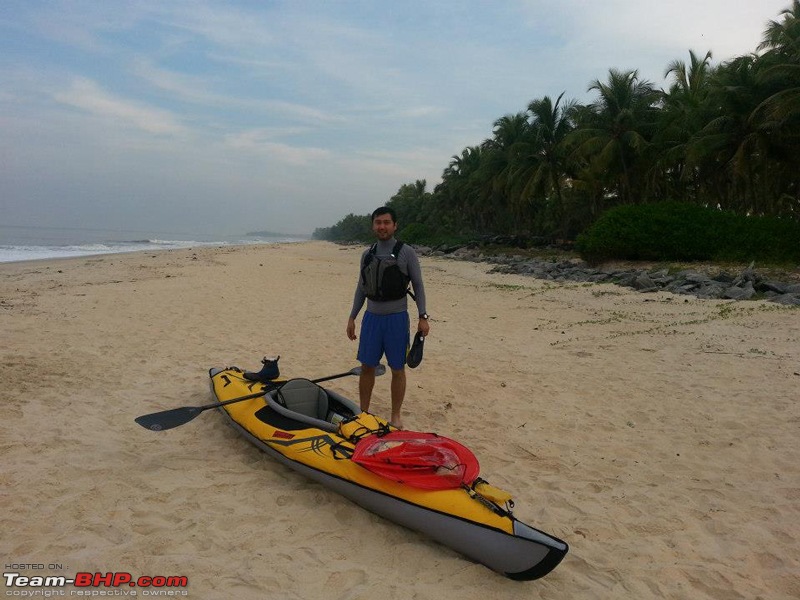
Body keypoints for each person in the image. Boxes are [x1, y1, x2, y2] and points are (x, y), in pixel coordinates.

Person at [346, 206, 430, 429]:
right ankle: (364, 412)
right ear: (373, 225)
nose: (381, 226)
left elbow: (419, 285)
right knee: (367, 367)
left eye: (386, 222)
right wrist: (352, 317)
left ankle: (395, 415)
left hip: (396, 319)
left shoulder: (406, 252)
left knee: (397, 368)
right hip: (372, 318)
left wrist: (423, 316)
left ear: (395, 225)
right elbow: (361, 288)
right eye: (378, 222)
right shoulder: (367, 254)